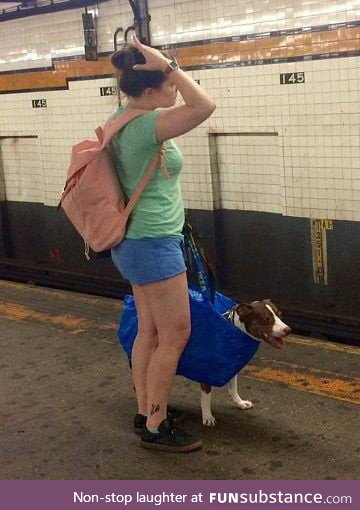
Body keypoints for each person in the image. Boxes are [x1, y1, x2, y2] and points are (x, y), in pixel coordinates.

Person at [110, 35, 216, 452]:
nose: (175, 88)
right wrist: (169, 65)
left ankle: (146, 410)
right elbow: (205, 106)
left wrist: (166, 67)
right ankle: (156, 424)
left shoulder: (127, 119)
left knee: (150, 332)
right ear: (152, 89)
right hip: (152, 243)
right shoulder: (143, 126)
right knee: (175, 334)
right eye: (169, 83)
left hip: (140, 241)